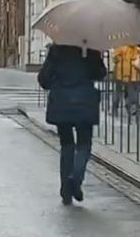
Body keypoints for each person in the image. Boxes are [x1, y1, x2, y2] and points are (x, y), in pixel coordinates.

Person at [38, 44, 107, 205]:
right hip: (84, 101)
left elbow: (44, 79)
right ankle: (75, 178)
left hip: (62, 102)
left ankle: (65, 189)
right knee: (84, 143)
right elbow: (100, 73)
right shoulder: (90, 47)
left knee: (67, 144)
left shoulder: (57, 49)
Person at [112, 44, 140, 116]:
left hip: (120, 73)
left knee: (118, 91)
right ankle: (131, 108)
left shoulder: (119, 48)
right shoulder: (137, 49)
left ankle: (115, 108)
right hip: (133, 74)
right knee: (132, 91)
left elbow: (115, 59)